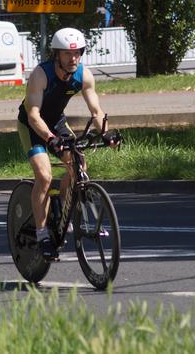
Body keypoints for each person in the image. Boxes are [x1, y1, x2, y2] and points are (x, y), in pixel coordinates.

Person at [17, 27, 117, 261]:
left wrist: (107, 133)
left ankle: (63, 209)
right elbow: (33, 115)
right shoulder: (41, 75)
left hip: (57, 122)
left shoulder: (84, 75)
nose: (73, 59)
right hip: (32, 125)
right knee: (44, 176)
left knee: (79, 165)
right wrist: (51, 139)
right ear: (57, 55)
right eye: (67, 54)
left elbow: (96, 110)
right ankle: (42, 235)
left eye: (77, 53)